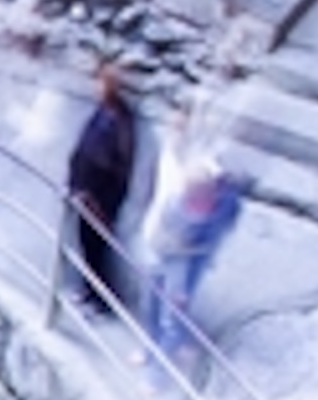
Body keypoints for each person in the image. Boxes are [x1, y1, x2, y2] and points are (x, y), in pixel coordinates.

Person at [139, 146, 245, 369]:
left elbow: (206, 237)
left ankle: (159, 371)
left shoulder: (217, 208)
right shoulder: (177, 202)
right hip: (163, 253)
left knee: (173, 314)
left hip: (185, 259)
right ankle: (151, 350)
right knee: (153, 304)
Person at [64, 61, 137, 317]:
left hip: (100, 198)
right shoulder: (104, 112)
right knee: (86, 245)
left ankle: (99, 299)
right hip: (87, 193)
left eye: (102, 83)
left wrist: (98, 196)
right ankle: (87, 290)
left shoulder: (118, 118)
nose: (98, 88)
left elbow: (113, 163)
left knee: (97, 249)